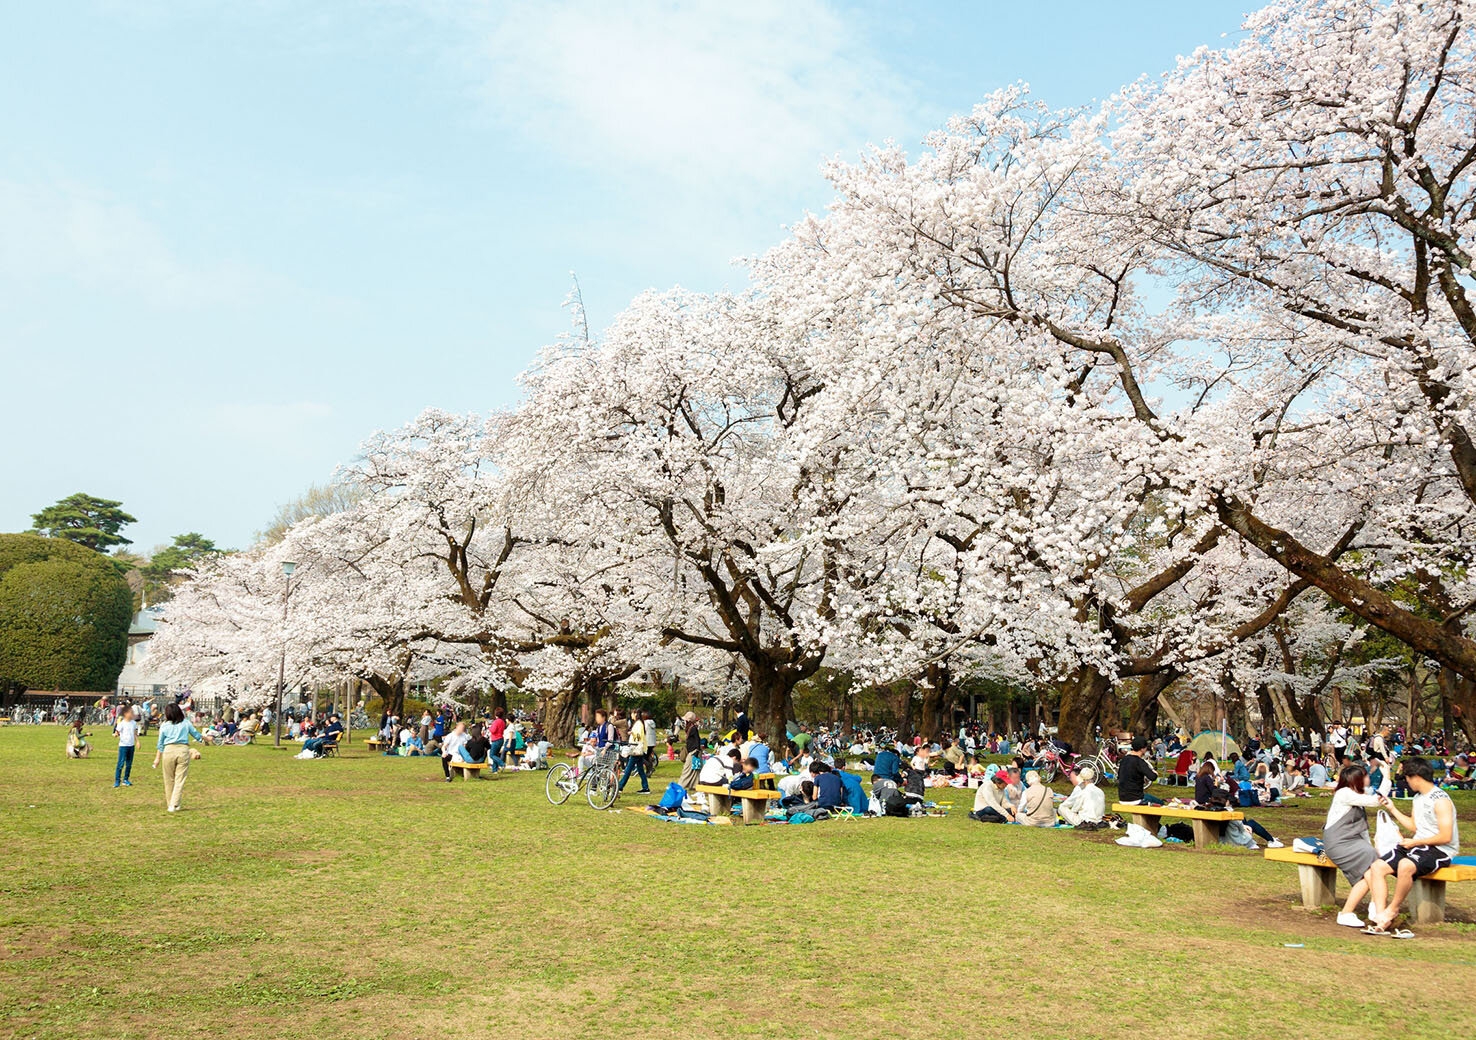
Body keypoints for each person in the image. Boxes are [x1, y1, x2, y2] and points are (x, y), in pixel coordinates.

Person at [1365, 758, 1461, 933]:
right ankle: (1381, 918)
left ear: (1416, 777)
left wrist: (1415, 842)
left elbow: (1446, 837)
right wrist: (1392, 809)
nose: (1406, 782)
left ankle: (1393, 909)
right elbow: (1414, 826)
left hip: (1440, 850)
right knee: (1377, 867)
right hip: (1418, 844)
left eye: (1407, 778)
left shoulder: (1441, 800)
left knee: (1405, 865)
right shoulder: (1418, 798)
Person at [1321, 762, 1385, 928]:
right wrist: (1387, 778)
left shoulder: (1357, 795)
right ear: (1356, 779)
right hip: (1338, 842)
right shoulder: (1344, 793)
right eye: (1365, 775)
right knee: (1372, 864)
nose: (1368, 778)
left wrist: (1370, 846)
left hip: (1352, 841)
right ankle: (1377, 907)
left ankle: (1351, 912)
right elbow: (1378, 801)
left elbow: (1362, 830)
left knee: (1371, 866)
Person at [152, 702, 203, 812]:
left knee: (169, 779)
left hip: (168, 751)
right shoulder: (186, 723)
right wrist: (203, 739)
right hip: (182, 750)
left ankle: (172, 803)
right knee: (180, 779)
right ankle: (174, 804)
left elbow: (160, 744)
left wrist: (157, 758)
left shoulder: (165, 725)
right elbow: (196, 734)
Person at [1116, 737, 1162, 805]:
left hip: (1122, 798)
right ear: (1142, 749)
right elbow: (1152, 777)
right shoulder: (1139, 762)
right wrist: (1155, 773)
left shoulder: (1124, 759)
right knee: (1160, 803)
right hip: (1136, 798)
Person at [617, 729, 651, 795]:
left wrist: (632, 733)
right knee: (640, 770)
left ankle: (620, 786)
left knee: (628, 769)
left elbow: (638, 736)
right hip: (638, 750)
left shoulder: (638, 724)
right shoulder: (639, 723)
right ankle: (646, 787)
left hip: (636, 750)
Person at [113, 704, 139, 787]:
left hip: (131, 746)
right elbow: (117, 732)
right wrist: (116, 734)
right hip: (123, 746)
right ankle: (117, 780)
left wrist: (137, 742)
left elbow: (135, 733)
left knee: (129, 764)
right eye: (131, 712)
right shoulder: (122, 723)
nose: (132, 714)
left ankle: (126, 779)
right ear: (125, 714)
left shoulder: (134, 723)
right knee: (120, 763)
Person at [679, 712, 703, 791]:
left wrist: (697, 750)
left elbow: (697, 740)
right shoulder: (690, 728)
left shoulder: (693, 728)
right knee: (695, 769)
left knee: (687, 769)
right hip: (693, 750)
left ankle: (680, 785)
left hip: (694, 751)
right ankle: (694, 785)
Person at [486, 708, 508, 773]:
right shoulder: (503, 722)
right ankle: (494, 769)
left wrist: (488, 727)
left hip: (496, 739)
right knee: (496, 754)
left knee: (491, 754)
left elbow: (493, 730)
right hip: (501, 738)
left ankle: (502, 764)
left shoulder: (496, 721)